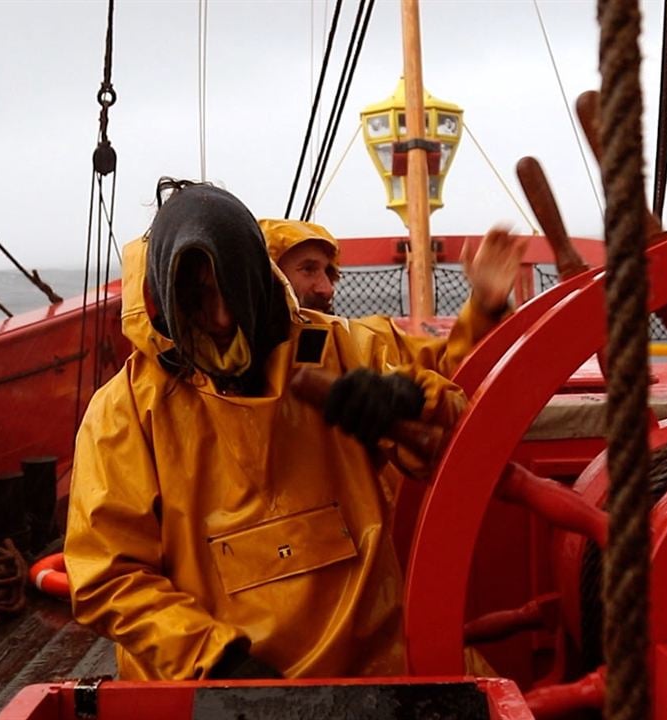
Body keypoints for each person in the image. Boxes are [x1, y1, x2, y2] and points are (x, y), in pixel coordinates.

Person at [65, 180, 466, 681]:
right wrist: (219, 661)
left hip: (369, 676)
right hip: (212, 687)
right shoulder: (123, 412)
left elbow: (458, 430)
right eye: (197, 296)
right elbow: (107, 575)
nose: (221, 316)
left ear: (255, 274)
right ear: (164, 297)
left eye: (231, 286)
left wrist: (408, 403)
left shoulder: (340, 349)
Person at [259, 218, 528, 378]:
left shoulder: (365, 344)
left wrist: (486, 307)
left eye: (329, 272)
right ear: (265, 278)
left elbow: (450, 371)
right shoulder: (226, 369)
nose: (327, 288)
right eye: (308, 270)